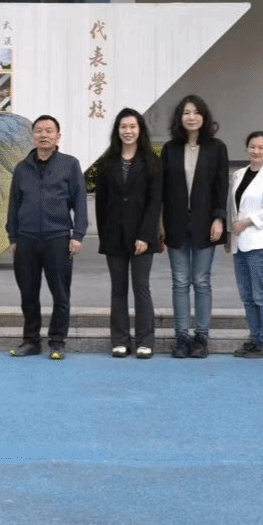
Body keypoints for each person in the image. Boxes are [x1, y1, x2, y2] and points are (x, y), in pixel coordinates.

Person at [7, 115, 88, 360]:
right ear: (32, 136)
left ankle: (57, 342)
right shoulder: (22, 168)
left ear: (58, 136)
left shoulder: (69, 164)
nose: (44, 135)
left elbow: (80, 202)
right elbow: (14, 204)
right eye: (39, 131)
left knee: (60, 294)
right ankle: (31, 341)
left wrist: (78, 235)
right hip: (26, 240)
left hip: (58, 238)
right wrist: (13, 237)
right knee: (28, 294)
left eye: (49, 130)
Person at [160, 94, 228, 358]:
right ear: (180, 117)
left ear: (204, 116)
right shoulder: (170, 149)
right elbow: (162, 190)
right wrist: (160, 224)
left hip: (205, 224)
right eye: (186, 112)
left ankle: (201, 337)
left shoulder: (216, 148)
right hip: (175, 223)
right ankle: (181, 337)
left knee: (201, 281)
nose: (191, 117)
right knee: (179, 281)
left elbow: (221, 186)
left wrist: (219, 218)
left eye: (196, 112)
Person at [94, 108, 162, 359]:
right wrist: (105, 234)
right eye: (123, 127)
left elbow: (155, 203)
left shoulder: (151, 162)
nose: (128, 131)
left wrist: (145, 235)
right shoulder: (108, 162)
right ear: (117, 130)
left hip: (142, 236)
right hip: (114, 235)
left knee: (141, 287)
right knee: (118, 289)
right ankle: (120, 340)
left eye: (133, 126)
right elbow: (101, 202)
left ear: (140, 130)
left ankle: (146, 341)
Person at [228, 131, 263, 358]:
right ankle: (255, 338)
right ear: (247, 148)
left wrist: (246, 222)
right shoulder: (238, 174)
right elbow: (233, 207)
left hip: (259, 244)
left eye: (261, 148)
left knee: (262, 295)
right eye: (252, 146)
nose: (256, 151)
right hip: (239, 243)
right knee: (247, 296)